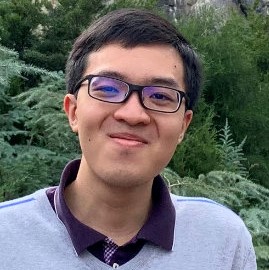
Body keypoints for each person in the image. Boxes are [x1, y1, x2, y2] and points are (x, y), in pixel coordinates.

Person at [0, 8, 256, 270]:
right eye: (108, 89)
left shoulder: (222, 242)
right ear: (73, 111)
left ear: (183, 125)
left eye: (160, 96)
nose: (133, 114)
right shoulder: (6, 238)